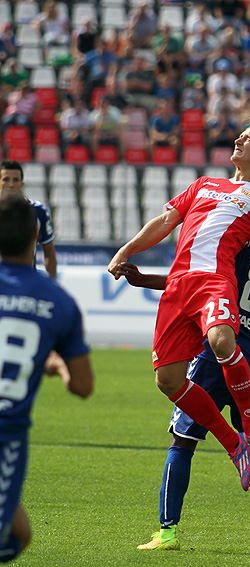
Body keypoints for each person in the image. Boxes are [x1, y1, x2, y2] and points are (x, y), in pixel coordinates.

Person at [108, 113, 250, 491]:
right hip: (178, 286)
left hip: (215, 282)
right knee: (167, 380)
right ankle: (233, 443)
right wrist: (126, 250)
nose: (238, 140)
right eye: (240, 135)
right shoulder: (204, 184)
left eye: (248, 138)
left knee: (222, 341)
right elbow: (164, 222)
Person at [121, 226, 250, 551]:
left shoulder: (232, 248)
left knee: (183, 440)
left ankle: (168, 532)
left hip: (215, 357)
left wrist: (143, 279)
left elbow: (191, 284)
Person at [0, 192, 94, 563]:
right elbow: (83, 387)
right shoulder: (58, 302)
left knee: (19, 533)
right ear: (36, 235)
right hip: (6, 435)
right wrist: (56, 364)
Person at [0, 160, 69, 381]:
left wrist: (52, 285)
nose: (11, 184)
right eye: (6, 179)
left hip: (25, 289)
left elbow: (48, 251)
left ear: (22, 183)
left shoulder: (36, 211)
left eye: (15, 180)